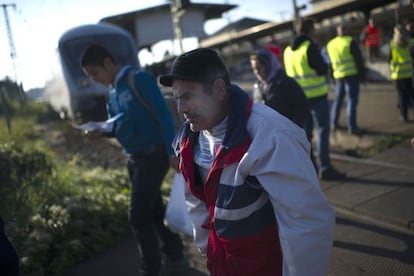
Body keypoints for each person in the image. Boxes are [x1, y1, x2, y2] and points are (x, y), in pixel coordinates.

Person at [159, 48, 335, 276]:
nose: (181, 109)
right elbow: (195, 199)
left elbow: (306, 222)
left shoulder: (270, 136)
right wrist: (206, 247)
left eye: (188, 96)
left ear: (219, 89)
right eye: (176, 98)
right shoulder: (189, 138)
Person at [80, 44, 187, 276]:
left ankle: (150, 268)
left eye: (95, 73)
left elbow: (163, 114)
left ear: (108, 62)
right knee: (154, 209)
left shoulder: (137, 79)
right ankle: (175, 253)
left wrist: (172, 151)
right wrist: (102, 130)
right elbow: (116, 123)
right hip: (134, 159)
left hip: (153, 155)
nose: (95, 80)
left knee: (138, 215)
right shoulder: (113, 91)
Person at [283, 17, 346, 181]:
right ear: (309, 29)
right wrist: (322, 59)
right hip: (317, 97)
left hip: (299, 101)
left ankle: (310, 168)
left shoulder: (288, 51)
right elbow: (321, 69)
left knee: (305, 137)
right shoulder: (309, 47)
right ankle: (325, 168)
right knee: (323, 131)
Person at [249, 48, 310, 128]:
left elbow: (302, 106)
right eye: (254, 69)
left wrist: (293, 127)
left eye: (259, 68)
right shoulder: (257, 86)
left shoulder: (285, 82)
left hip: (287, 134)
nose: (257, 72)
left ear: (268, 65)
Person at [326, 24, 366, 134]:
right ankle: (352, 127)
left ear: (338, 31)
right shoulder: (349, 41)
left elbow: (330, 63)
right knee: (352, 101)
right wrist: (362, 75)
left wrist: (332, 77)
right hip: (351, 75)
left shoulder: (330, 44)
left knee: (338, 100)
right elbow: (359, 59)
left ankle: (333, 124)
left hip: (338, 76)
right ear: (346, 30)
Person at [389, 25, 414, 122]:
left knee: (401, 96)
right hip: (407, 73)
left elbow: (389, 58)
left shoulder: (392, 45)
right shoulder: (410, 43)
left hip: (397, 75)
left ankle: (404, 116)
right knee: (411, 95)